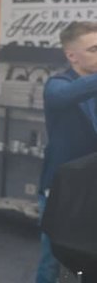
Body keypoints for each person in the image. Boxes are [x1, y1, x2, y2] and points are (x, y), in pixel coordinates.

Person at [36, 21, 97, 283]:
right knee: (52, 260)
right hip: (62, 190)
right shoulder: (57, 85)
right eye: (94, 49)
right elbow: (64, 95)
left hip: (91, 187)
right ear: (72, 55)